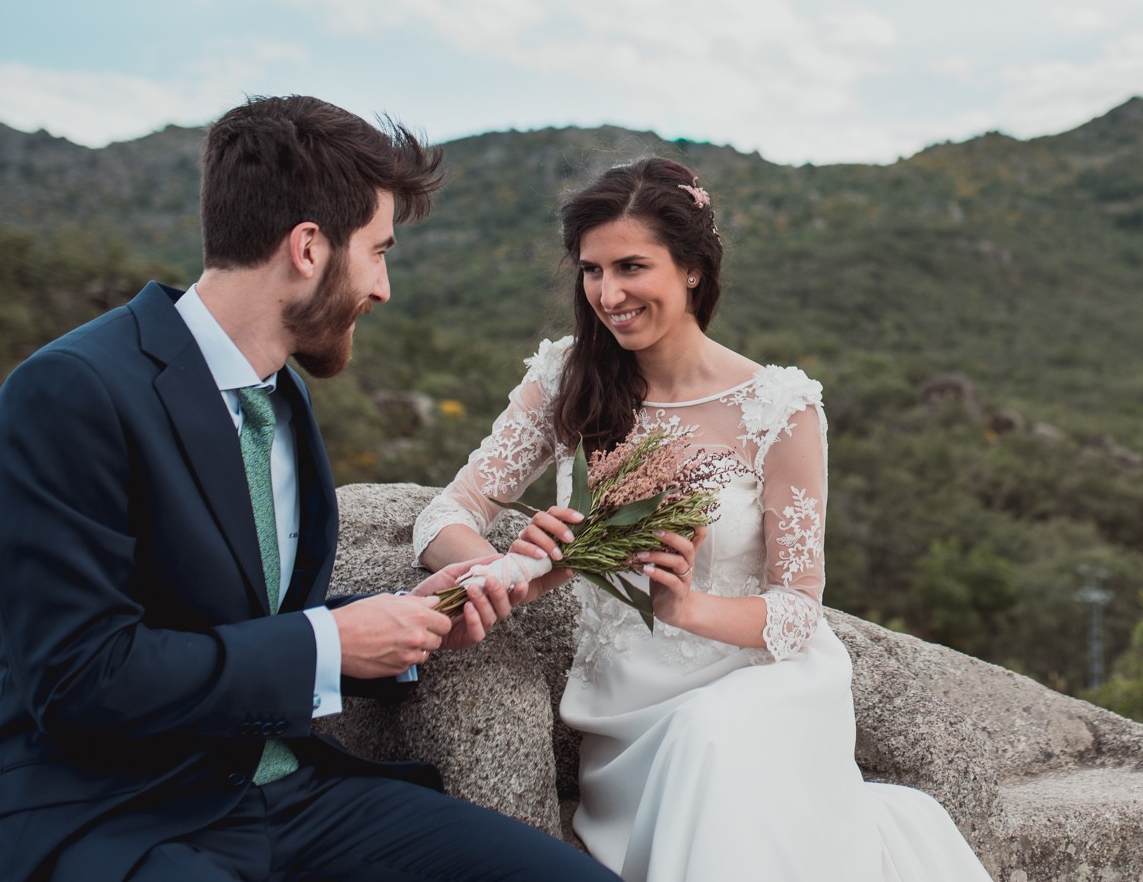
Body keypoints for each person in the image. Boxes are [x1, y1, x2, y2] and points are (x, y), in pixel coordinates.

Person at [0, 96, 621, 882]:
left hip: (294, 796)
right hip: (119, 818)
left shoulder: (282, 396)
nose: (383, 288)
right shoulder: (71, 391)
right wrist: (328, 642)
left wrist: (412, 625)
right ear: (308, 247)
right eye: (377, 251)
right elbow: (75, 679)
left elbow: (245, 624)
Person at [414, 157, 992, 882]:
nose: (608, 293)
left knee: (714, 736)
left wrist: (687, 605)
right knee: (703, 750)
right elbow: (443, 514)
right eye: (591, 270)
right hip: (627, 720)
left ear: (691, 267)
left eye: (631, 266)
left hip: (757, 694)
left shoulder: (779, 409)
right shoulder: (565, 379)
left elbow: (796, 610)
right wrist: (510, 567)